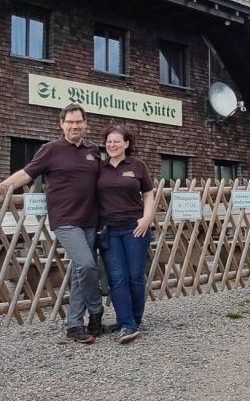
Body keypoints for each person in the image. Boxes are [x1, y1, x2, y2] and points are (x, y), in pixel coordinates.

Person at [0, 103, 103, 344]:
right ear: (61, 124)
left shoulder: (94, 151)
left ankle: (75, 325)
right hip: (65, 219)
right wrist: (1, 187)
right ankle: (96, 309)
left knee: (78, 273)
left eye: (79, 122)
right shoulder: (50, 150)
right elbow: (27, 173)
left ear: (85, 124)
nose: (75, 126)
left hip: (91, 220)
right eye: (70, 122)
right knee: (86, 265)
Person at [97, 124, 154, 345]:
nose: (112, 145)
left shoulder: (137, 166)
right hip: (109, 231)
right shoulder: (99, 168)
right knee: (117, 278)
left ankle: (135, 319)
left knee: (135, 276)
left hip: (135, 228)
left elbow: (148, 193)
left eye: (116, 141)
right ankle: (126, 323)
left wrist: (146, 218)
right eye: (109, 141)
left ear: (126, 144)